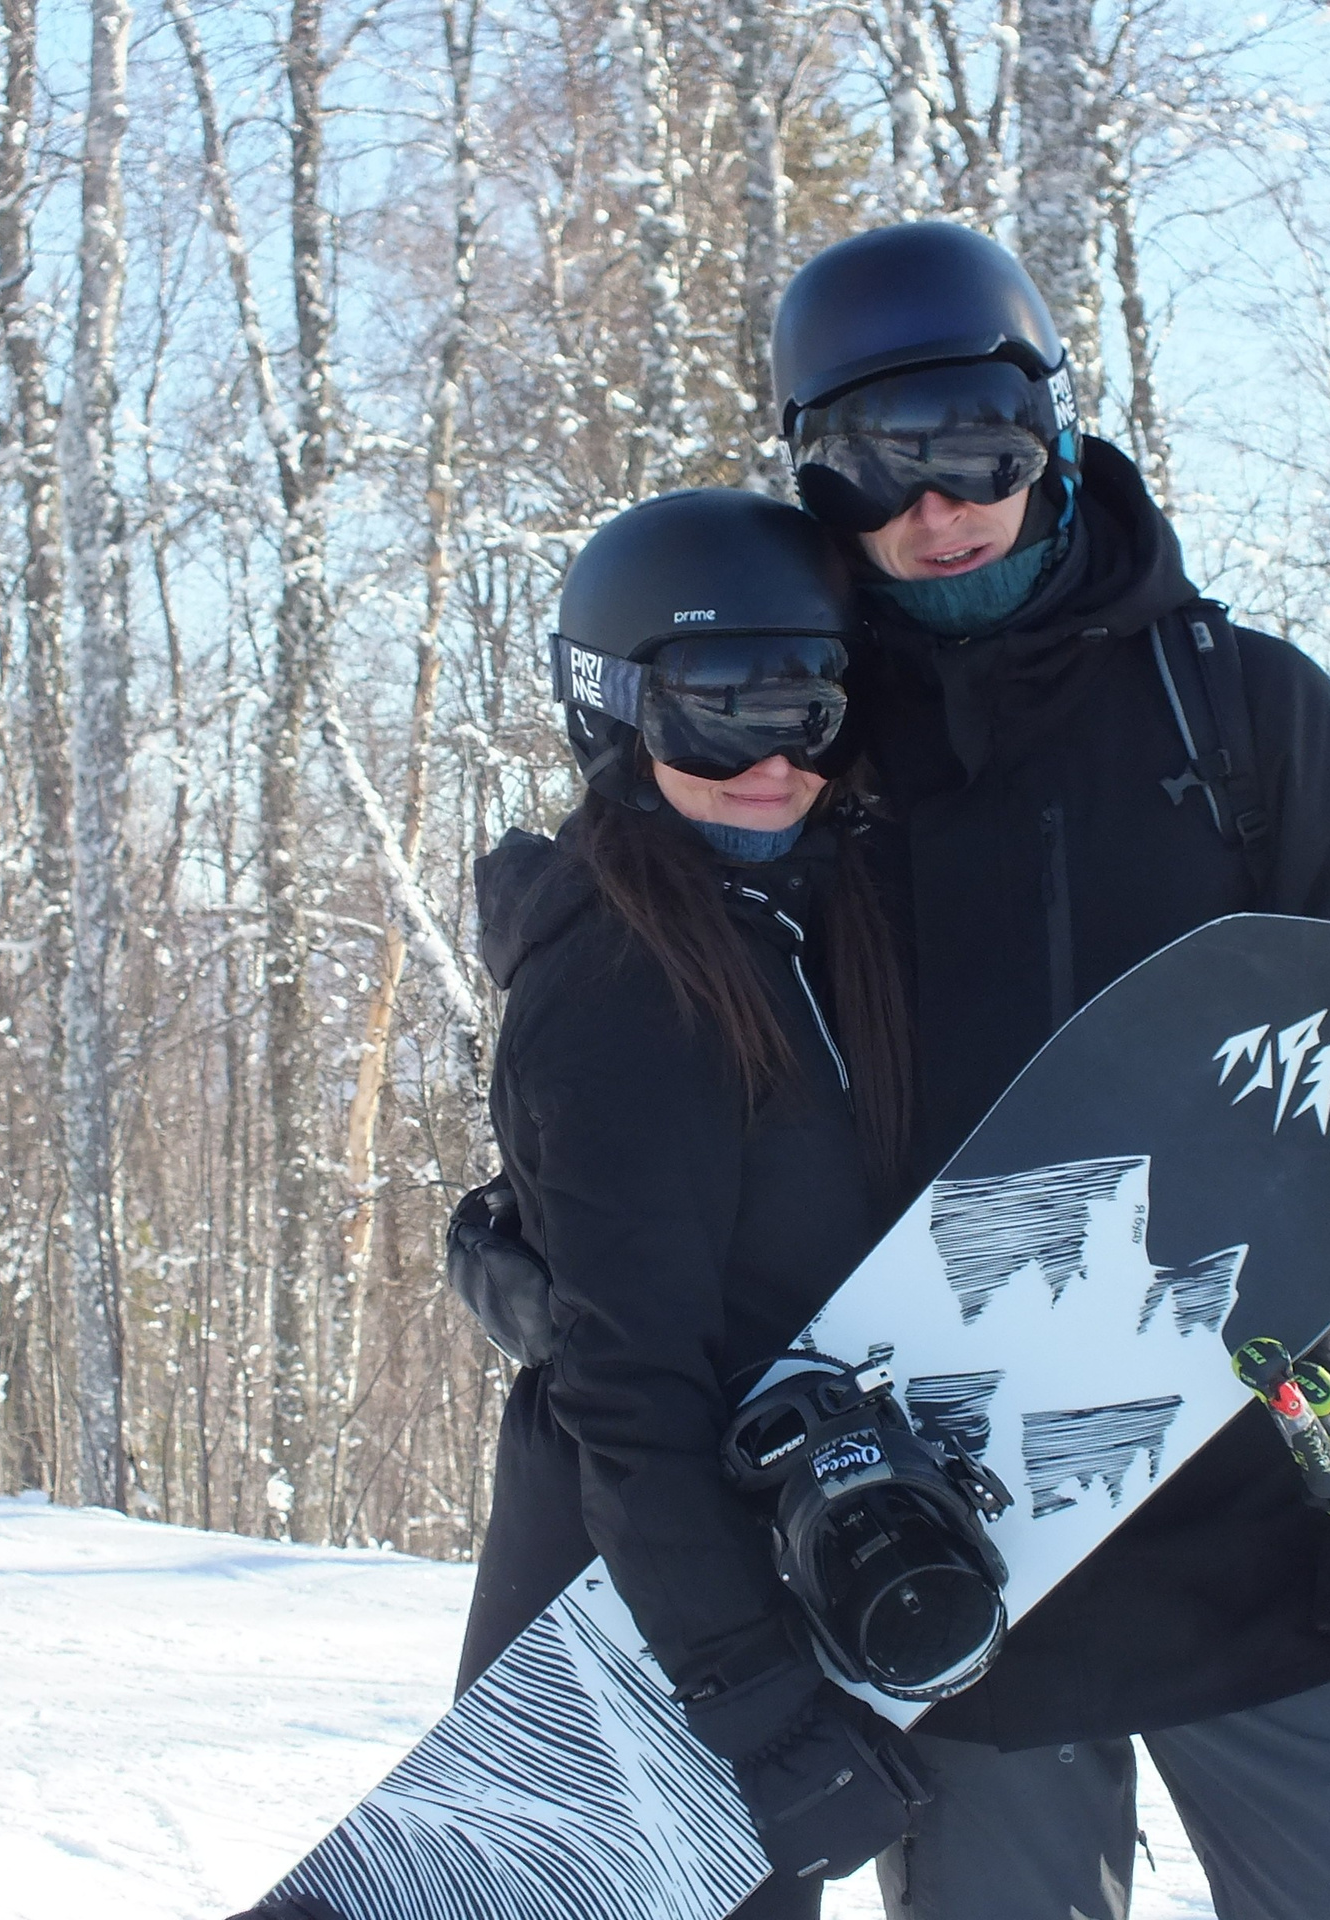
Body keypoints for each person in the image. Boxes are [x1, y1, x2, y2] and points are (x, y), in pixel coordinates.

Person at [770, 221, 1330, 1920]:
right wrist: (541, 1226)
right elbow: (673, 1051)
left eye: (974, 443)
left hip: (1253, 1516)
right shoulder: (795, 759)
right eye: (868, 467)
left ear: (1055, 429)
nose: (934, 508)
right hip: (954, 1554)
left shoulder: (1240, 720)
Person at [457, 487, 929, 1916]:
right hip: (637, 1601)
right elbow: (633, 1385)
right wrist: (757, 1706)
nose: (775, 760)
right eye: (719, 713)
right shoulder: (622, 980)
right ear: (612, 713)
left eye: (812, 707)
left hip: (755, 1548)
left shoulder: (803, 914)